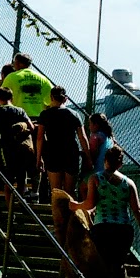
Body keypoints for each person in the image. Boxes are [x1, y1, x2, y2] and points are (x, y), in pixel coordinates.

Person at [69, 144, 140, 278]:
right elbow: (137, 210)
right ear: (120, 164)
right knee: (119, 265)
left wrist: (75, 206)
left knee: (104, 265)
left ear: (105, 161)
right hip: (123, 229)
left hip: (103, 227)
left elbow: (90, 204)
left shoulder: (96, 179)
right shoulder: (129, 183)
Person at [36, 85, 89, 230]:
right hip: (70, 153)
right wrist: (88, 156)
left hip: (52, 153)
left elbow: (40, 138)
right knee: (70, 191)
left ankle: (58, 224)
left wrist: (38, 157)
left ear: (51, 97)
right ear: (65, 98)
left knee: (56, 191)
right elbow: (82, 137)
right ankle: (71, 225)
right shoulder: (74, 114)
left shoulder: (45, 115)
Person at [0, 87, 36, 192]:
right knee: (21, 175)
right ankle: (21, 199)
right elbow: (32, 127)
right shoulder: (20, 111)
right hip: (21, 147)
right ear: (12, 98)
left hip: (5, 148)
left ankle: (9, 204)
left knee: (8, 178)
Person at [2, 53, 51, 121]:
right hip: (38, 119)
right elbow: (50, 100)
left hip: (17, 117)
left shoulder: (11, 77)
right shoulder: (43, 79)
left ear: (17, 62)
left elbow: (2, 97)